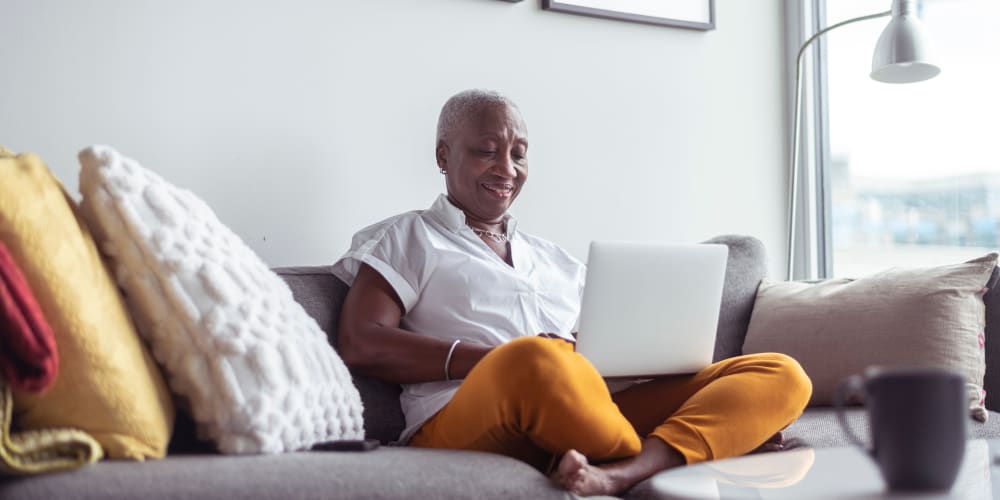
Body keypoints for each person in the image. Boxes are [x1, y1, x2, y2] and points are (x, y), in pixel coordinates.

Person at [332, 89, 812, 496]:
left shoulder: (556, 260)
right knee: (536, 361)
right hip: (466, 417)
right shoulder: (409, 237)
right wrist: (495, 358)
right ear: (443, 155)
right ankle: (694, 448)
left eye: (518, 153)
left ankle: (620, 470)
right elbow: (362, 340)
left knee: (781, 373)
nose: (506, 168)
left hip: (587, 405)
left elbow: (601, 350)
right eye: (486, 150)